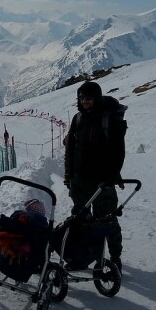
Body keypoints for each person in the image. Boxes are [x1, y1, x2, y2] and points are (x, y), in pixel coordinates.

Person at [64, 81, 127, 272]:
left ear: (96, 98)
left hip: (103, 182)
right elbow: (70, 150)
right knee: (80, 220)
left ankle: (115, 258)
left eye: (88, 98)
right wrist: (69, 174)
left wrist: (112, 176)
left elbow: (118, 152)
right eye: (81, 98)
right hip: (79, 180)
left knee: (107, 220)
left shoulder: (109, 120)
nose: (85, 102)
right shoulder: (78, 119)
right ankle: (80, 258)